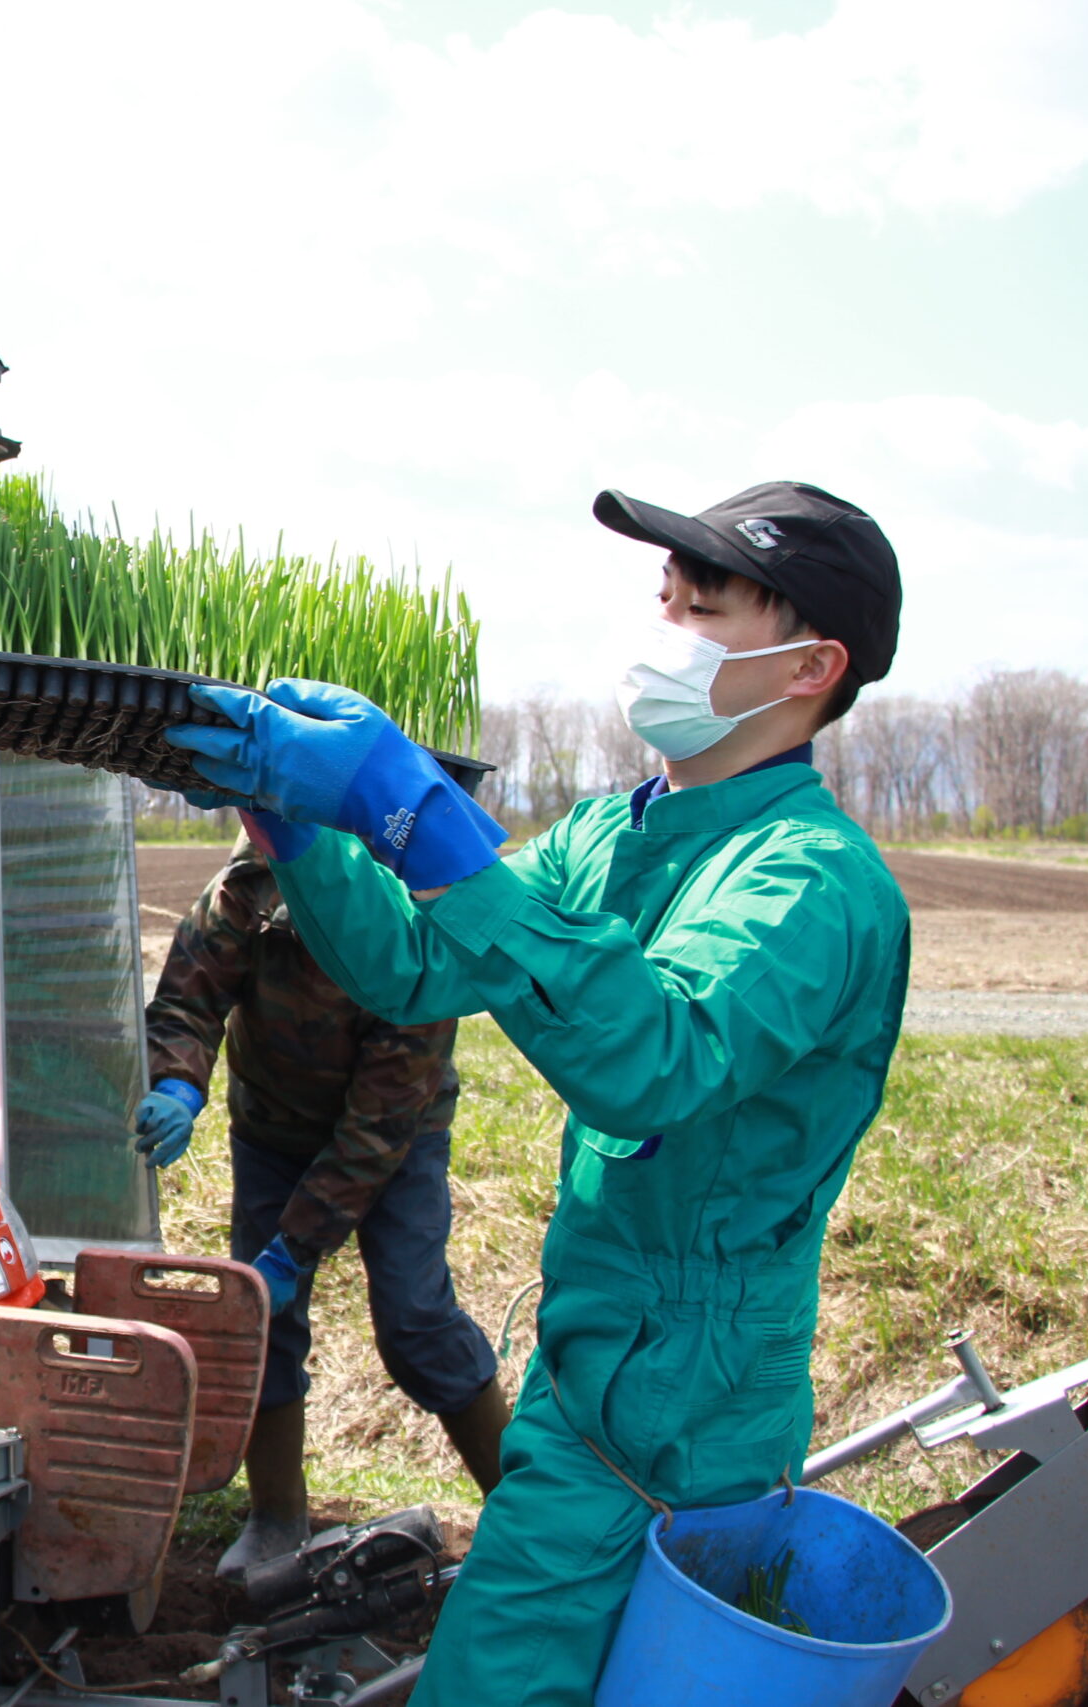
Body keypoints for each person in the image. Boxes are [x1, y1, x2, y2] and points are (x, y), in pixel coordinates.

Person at [163, 482, 909, 1705]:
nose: (660, 626)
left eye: (701, 607)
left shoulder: (814, 882)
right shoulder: (614, 834)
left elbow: (651, 1065)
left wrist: (424, 817)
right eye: (661, 597)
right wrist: (306, 830)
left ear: (809, 666)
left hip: (685, 1399)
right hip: (590, 1361)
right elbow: (411, 965)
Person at [134, 835, 510, 1577]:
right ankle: (276, 1516)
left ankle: (522, 1508)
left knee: (414, 1315)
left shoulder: (413, 931)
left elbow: (375, 1131)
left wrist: (295, 1245)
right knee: (262, 1320)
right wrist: (179, 1079)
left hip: (396, 1140)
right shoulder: (250, 889)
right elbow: (189, 993)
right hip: (273, 1125)